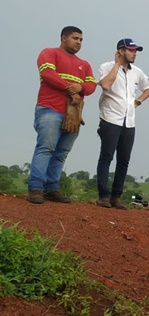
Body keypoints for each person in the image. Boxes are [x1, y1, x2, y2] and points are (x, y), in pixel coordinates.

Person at [26, 26, 97, 204]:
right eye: (75, 38)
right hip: (50, 108)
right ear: (63, 38)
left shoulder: (85, 64)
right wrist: (70, 89)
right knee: (46, 148)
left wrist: (80, 88)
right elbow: (47, 73)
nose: (78, 42)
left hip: (73, 114)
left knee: (61, 152)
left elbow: (91, 86)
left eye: (81, 39)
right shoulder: (49, 53)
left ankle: (52, 188)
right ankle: (36, 188)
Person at [95, 38, 149, 209]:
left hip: (129, 121)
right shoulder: (106, 67)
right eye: (131, 50)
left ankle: (116, 197)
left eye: (136, 51)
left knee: (124, 161)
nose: (134, 53)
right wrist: (116, 65)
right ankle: (103, 196)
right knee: (106, 157)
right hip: (110, 119)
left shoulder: (137, 72)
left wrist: (138, 101)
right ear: (121, 51)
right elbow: (105, 85)